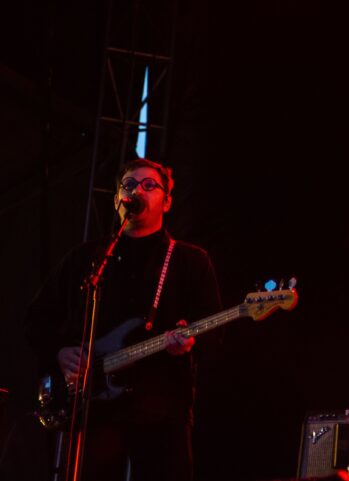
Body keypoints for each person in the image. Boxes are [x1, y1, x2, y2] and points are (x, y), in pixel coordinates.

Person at [26, 158, 221, 481]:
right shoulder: (88, 258)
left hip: (161, 409)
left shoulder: (190, 261)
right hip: (93, 411)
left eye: (148, 185)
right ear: (117, 199)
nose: (136, 191)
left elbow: (214, 336)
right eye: (128, 185)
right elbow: (35, 319)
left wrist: (190, 343)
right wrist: (59, 352)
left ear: (167, 201)